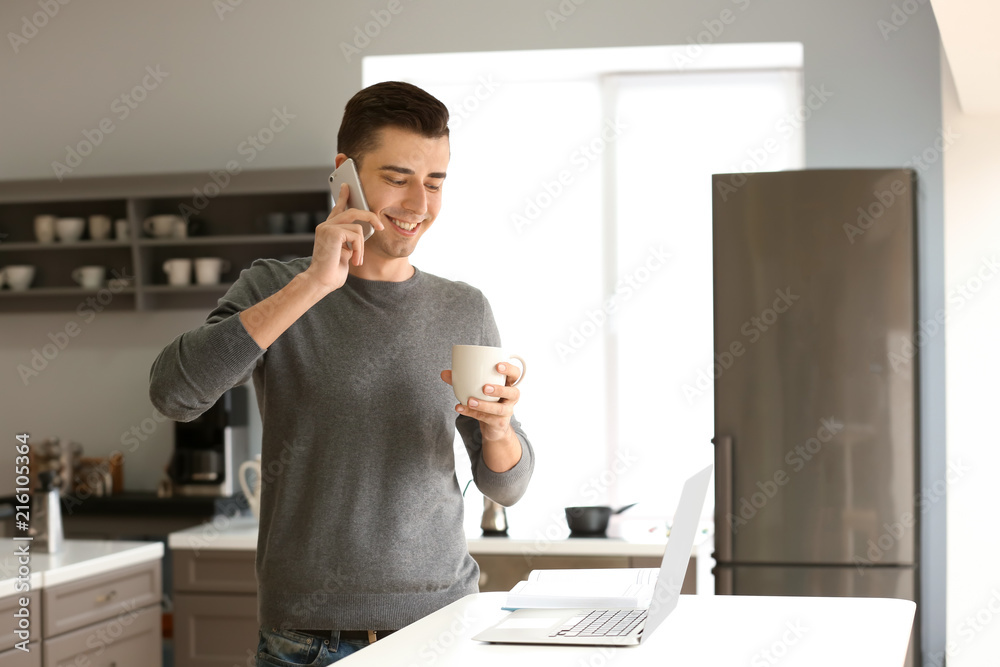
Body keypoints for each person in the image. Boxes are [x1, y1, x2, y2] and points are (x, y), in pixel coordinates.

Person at [149, 81, 534, 666]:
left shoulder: (464, 307)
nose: (419, 204)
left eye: (435, 182)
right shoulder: (274, 286)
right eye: (398, 177)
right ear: (344, 174)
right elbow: (174, 394)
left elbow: (504, 485)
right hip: (305, 640)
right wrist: (313, 285)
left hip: (440, 626)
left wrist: (502, 430)